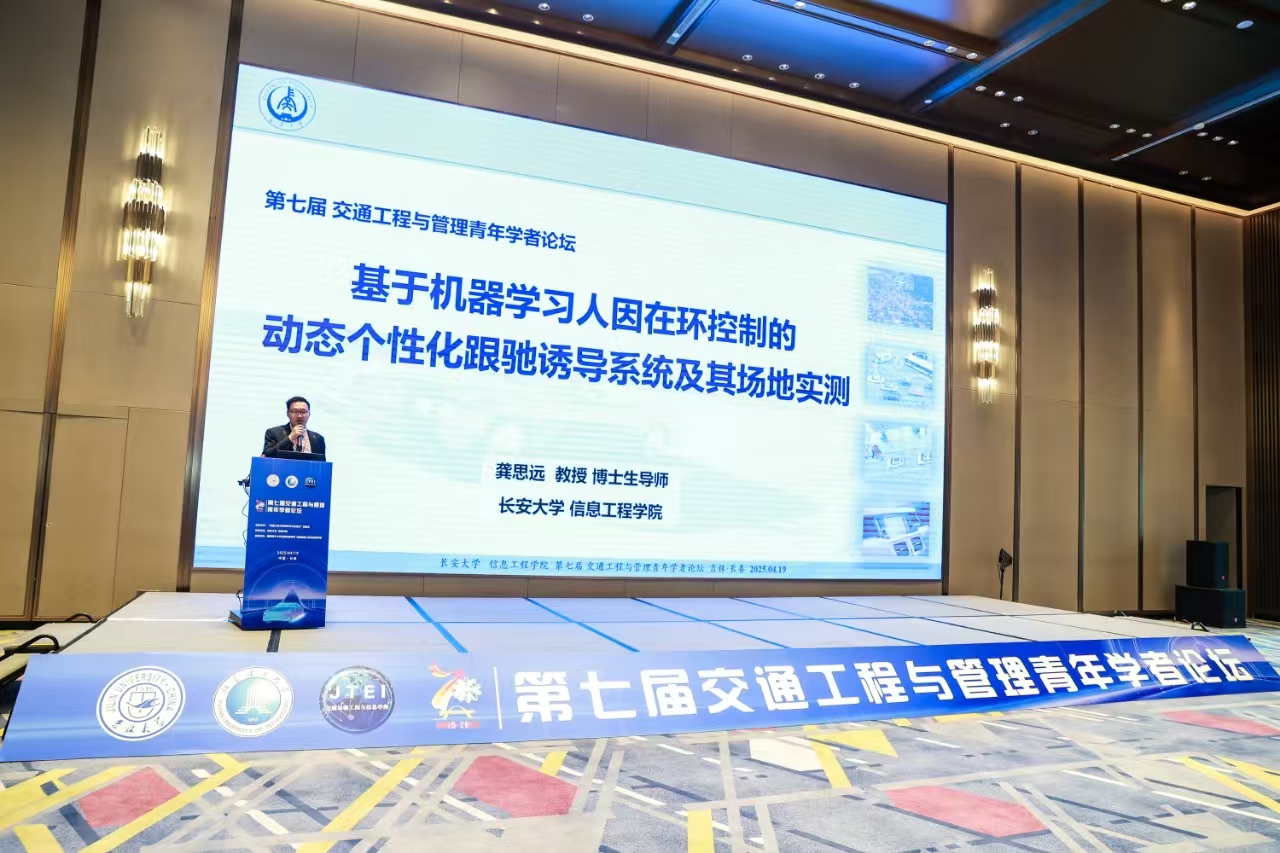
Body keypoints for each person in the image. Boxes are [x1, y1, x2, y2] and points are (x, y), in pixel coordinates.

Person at [262, 396, 327, 458]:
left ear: (309, 414)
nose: (299, 416)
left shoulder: (318, 438)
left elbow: (321, 462)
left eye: (303, 412)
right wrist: (290, 438)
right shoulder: (273, 433)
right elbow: (267, 455)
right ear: (287, 413)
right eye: (295, 412)